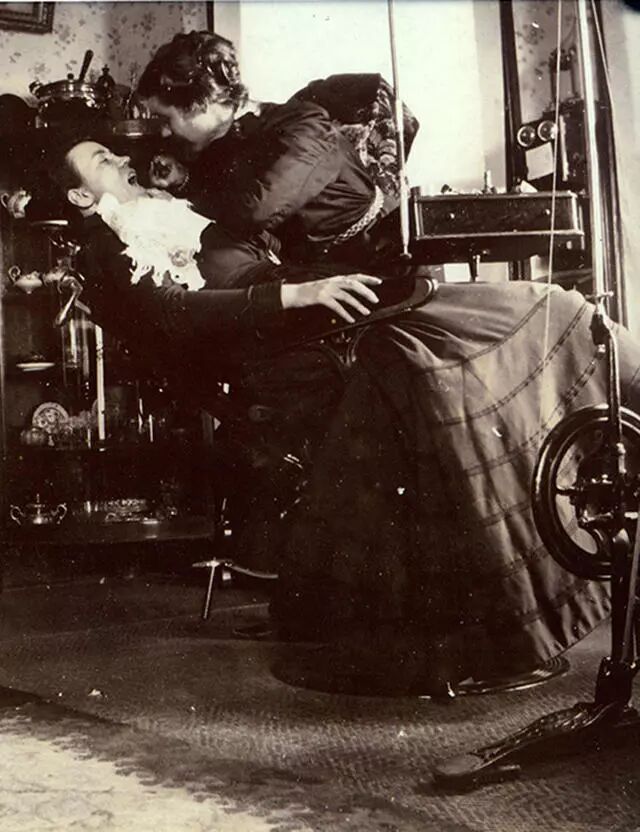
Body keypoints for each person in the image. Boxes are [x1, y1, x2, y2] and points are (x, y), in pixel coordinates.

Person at [44, 134, 640, 695]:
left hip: (311, 314)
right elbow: (174, 314)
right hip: (281, 348)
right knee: (431, 358)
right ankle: (492, 620)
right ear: (80, 197)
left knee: (541, 305)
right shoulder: (106, 247)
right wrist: (293, 294)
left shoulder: (175, 208)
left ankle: (617, 392)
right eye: (102, 161)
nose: (121, 160)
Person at [137, 31, 410, 269]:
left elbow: (255, 211)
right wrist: (182, 179)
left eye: (166, 119)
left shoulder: (304, 126)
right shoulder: (222, 141)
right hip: (318, 266)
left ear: (201, 104)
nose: (165, 132)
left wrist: (182, 201)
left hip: (376, 254)